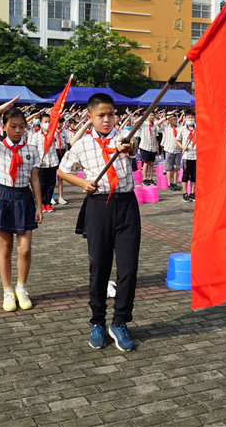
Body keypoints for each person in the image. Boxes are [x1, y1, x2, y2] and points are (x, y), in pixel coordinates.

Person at [57, 93, 139, 353]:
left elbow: (133, 147)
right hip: (98, 207)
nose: (107, 120)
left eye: (111, 114)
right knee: (99, 267)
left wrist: (131, 146)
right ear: (90, 117)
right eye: (101, 115)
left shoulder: (123, 138)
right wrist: (83, 184)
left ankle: (120, 321)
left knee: (128, 268)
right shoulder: (81, 145)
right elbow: (62, 169)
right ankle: (97, 322)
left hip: (127, 205)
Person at [0, 97, 43, 312]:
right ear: (4, 126)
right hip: (4, 198)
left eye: (21, 127)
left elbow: (35, 179)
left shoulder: (31, 149)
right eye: (13, 126)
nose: (17, 131)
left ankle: (21, 287)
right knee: (5, 248)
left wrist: (39, 206)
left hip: (24, 198)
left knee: (24, 249)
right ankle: (7, 291)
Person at [33, 113, 61, 213]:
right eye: (45, 122)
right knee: (41, 184)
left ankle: (48, 203)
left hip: (52, 162)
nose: (47, 123)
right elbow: (33, 149)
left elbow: (55, 141)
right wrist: (37, 159)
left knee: (51, 184)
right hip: (42, 163)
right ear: (40, 123)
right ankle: (42, 203)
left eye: (49, 122)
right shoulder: (36, 135)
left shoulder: (54, 133)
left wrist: (51, 134)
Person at [158, 113, 182, 191]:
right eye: (173, 120)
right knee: (169, 168)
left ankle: (174, 182)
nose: (175, 121)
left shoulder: (179, 128)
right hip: (169, 150)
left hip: (178, 150)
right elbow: (158, 123)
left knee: (176, 168)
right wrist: (166, 117)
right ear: (170, 120)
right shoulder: (166, 128)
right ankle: (169, 183)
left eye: (176, 119)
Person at [176, 113, 197, 202]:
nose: (190, 119)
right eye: (189, 117)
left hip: (196, 155)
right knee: (185, 175)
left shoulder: (198, 129)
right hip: (187, 155)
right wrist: (182, 147)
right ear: (185, 119)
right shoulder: (182, 129)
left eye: (192, 117)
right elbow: (177, 140)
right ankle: (185, 193)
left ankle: (192, 193)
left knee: (194, 175)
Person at [136, 112, 159, 186]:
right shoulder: (143, 124)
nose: (152, 117)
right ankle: (145, 179)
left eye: (153, 115)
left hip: (153, 147)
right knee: (145, 163)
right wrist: (143, 116)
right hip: (145, 146)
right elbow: (135, 123)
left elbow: (155, 137)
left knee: (152, 163)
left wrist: (157, 147)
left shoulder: (154, 126)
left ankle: (151, 178)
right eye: (150, 115)